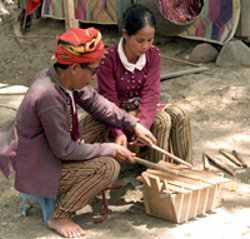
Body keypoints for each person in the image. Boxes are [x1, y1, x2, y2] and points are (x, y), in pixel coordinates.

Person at [0, 27, 156, 238]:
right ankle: (59, 216)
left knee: (100, 120)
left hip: (51, 150)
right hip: (40, 166)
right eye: (92, 71)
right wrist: (108, 148)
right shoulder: (48, 96)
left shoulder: (62, 77)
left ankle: (85, 184)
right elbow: (64, 150)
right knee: (107, 167)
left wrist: (133, 124)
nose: (93, 77)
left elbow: (98, 104)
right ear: (74, 68)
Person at [97, 4, 192, 163]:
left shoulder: (153, 55)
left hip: (142, 107)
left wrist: (144, 125)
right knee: (162, 122)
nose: (146, 46)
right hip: (117, 112)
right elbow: (109, 101)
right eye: (140, 40)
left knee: (181, 115)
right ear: (126, 35)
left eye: (150, 39)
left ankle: (183, 169)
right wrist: (120, 131)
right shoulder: (108, 59)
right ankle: (154, 173)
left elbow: (151, 93)